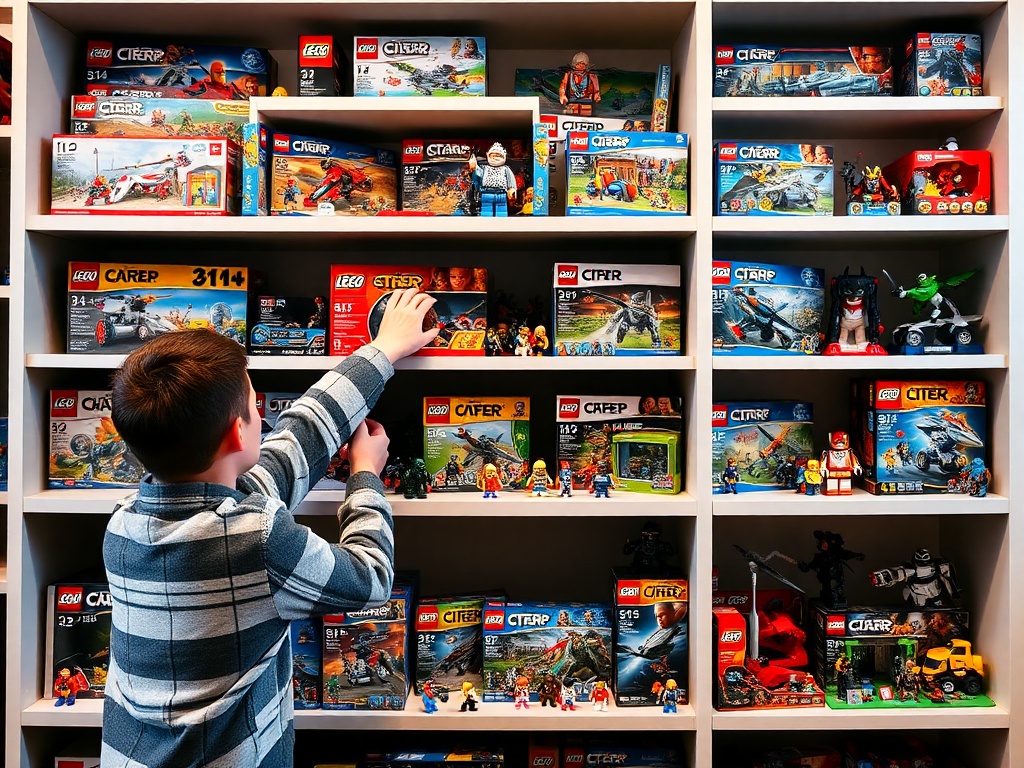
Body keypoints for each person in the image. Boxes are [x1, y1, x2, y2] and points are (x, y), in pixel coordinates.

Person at [101, 288, 438, 768]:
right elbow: (370, 577)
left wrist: (381, 351)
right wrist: (364, 475)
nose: (266, 416)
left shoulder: (123, 523)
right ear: (240, 431)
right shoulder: (257, 537)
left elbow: (295, 444)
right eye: (257, 405)